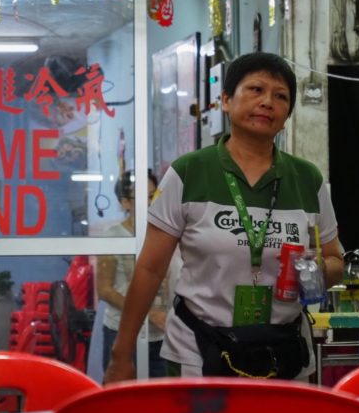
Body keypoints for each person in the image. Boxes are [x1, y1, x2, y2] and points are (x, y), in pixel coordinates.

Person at [104, 52, 344, 384]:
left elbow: (335, 259)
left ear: (287, 115)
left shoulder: (307, 178)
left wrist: (316, 269)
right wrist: (121, 353)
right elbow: (150, 268)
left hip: (283, 350)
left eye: (280, 96)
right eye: (255, 90)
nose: (267, 102)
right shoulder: (189, 172)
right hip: (199, 349)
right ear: (227, 101)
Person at [96, 168, 168, 378]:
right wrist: (149, 313)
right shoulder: (114, 236)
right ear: (125, 202)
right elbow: (105, 290)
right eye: (143, 197)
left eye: (153, 195)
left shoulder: (165, 233)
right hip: (122, 332)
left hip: (162, 333)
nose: (150, 202)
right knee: (123, 401)